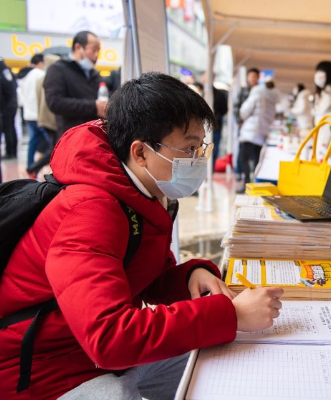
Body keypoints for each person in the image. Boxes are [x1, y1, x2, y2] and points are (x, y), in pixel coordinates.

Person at [0, 72, 284, 400]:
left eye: (200, 148)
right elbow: (109, 338)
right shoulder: (91, 210)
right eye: (189, 148)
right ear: (141, 153)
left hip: (89, 356)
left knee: (222, 359)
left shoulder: (139, 192)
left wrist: (192, 275)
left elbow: (139, 277)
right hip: (45, 372)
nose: (198, 161)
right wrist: (230, 314)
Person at [43, 30, 105, 139]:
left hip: (94, 134)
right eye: (93, 50)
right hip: (71, 136)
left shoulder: (94, 73)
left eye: (98, 51)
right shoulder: (58, 69)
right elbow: (55, 102)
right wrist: (94, 107)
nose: (96, 56)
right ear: (78, 48)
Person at [238, 79, 279, 187]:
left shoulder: (257, 93)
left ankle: (246, 183)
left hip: (250, 131)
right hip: (263, 132)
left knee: (244, 158)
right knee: (256, 160)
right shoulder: (273, 99)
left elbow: (244, 111)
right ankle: (254, 184)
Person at [26, 54, 60, 179]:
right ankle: (33, 167)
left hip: (43, 117)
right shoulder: (49, 78)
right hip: (50, 119)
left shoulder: (42, 78)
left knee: (37, 143)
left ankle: (33, 167)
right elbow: (50, 102)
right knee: (54, 149)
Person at [20, 54, 51, 173]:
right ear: (40, 63)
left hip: (28, 114)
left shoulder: (25, 76)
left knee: (32, 142)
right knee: (53, 145)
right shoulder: (40, 75)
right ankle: (36, 167)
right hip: (39, 115)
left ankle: (30, 166)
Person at [234, 68, 260, 181]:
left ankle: (253, 178)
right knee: (242, 153)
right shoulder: (243, 91)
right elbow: (237, 106)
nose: (253, 79)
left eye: (255, 76)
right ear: (248, 77)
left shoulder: (260, 91)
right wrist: (239, 120)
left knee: (255, 154)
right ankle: (242, 175)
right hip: (244, 127)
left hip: (256, 129)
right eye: (251, 76)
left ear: (258, 78)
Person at [201, 72, 228, 167]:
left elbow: (224, 109)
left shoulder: (219, 94)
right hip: (202, 127)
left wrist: (215, 117)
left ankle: (210, 170)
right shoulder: (200, 93)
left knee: (213, 149)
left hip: (216, 126)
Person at [1, 57, 18, 159]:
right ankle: (12, 151)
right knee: (11, 128)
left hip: (7, 106)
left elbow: (7, 90)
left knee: (8, 128)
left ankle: (10, 152)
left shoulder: (3, 71)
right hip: (11, 104)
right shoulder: (7, 71)